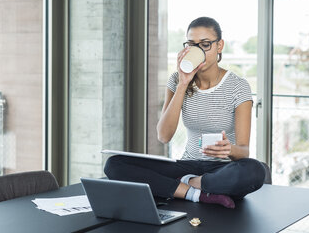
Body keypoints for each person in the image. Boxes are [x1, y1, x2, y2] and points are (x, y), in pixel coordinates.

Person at [105, 16, 266, 208]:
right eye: (192, 45)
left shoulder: (238, 86)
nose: (198, 51)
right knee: (114, 164)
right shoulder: (176, 80)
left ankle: (189, 185)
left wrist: (229, 149)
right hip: (186, 165)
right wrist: (183, 83)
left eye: (205, 44)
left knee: (255, 171)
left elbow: (244, 151)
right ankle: (196, 195)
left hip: (222, 170)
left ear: (219, 46)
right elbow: (164, 136)